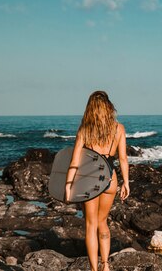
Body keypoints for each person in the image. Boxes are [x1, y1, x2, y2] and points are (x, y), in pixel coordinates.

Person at [65, 91, 130, 271]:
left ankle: (94, 269)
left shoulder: (85, 129)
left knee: (90, 224)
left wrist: (68, 186)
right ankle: (106, 264)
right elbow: (123, 159)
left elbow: (75, 161)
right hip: (110, 179)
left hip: (89, 179)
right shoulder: (119, 128)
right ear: (108, 107)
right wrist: (126, 183)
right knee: (103, 222)